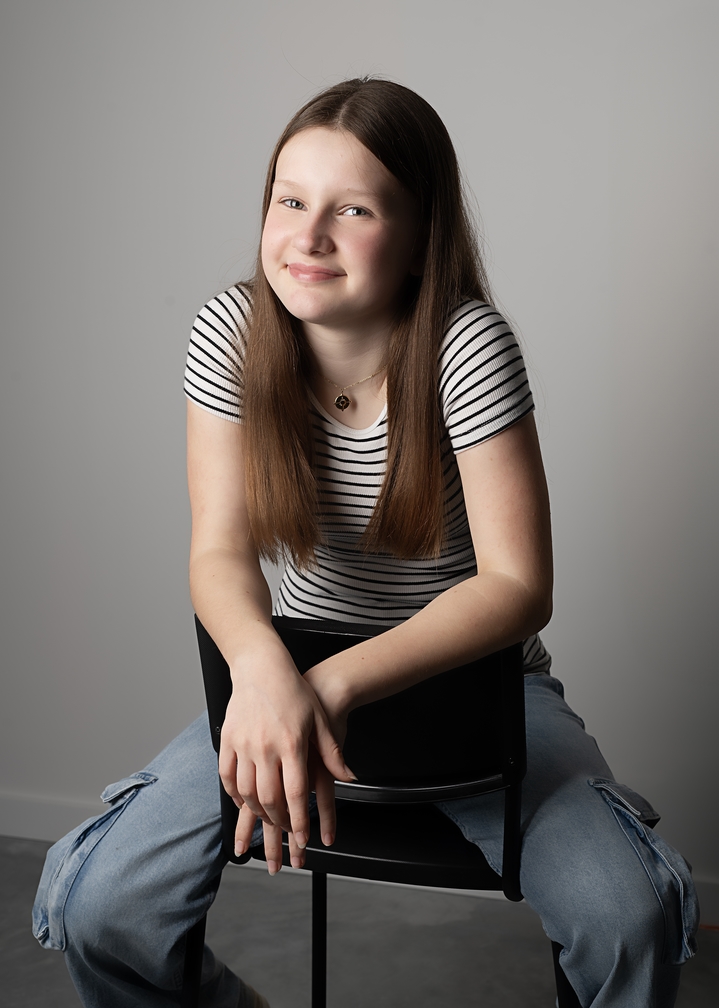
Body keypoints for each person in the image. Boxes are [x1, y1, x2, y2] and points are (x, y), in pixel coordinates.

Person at [33, 78, 698, 1007]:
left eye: (353, 210)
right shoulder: (229, 333)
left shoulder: (466, 347)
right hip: (289, 674)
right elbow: (218, 547)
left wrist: (330, 686)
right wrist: (265, 674)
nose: (308, 237)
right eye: (290, 201)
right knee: (100, 906)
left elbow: (518, 586)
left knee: (628, 915)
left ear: (420, 236)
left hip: (475, 691)